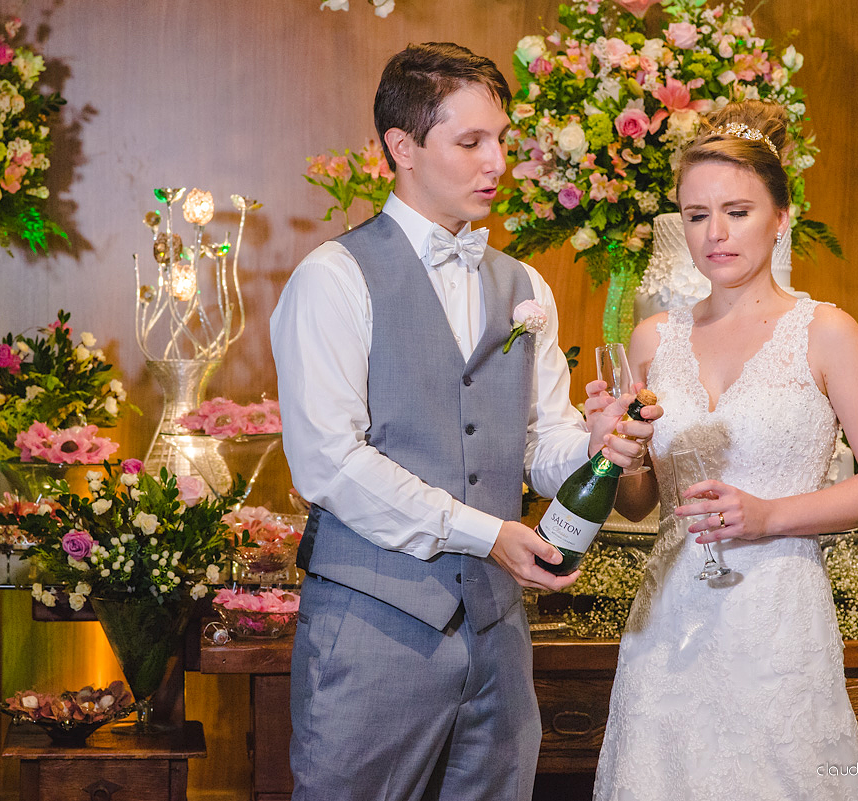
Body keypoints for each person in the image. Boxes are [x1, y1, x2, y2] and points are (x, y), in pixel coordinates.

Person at [271, 42, 656, 801]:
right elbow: (329, 463)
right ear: (402, 146)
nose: (498, 163)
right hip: (372, 628)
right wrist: (487, 533)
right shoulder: (333, 277)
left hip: (498, 635)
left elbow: (537, 445)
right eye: (471, 142)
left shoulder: (525, 284)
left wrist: (596, 442)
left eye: (501, 140)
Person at [590, 99, 858, 800]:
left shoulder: (827, 332)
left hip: (776, 612)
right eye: (697, 215)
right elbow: (641, 503)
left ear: (781, 218)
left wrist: (770, 515)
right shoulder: (652, 340)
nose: (716, 233)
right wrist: (615, 451)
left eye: (737, 211)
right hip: (670, 614)